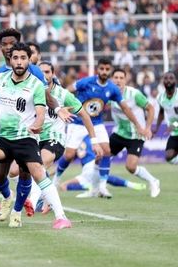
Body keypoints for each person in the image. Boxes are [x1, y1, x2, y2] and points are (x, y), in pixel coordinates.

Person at [0, 28, 74, 221]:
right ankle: (0, 199)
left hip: (26, 138)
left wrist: (53, 113)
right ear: (2, 50)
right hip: (4, 137)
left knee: (34, 174)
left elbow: (43, 105)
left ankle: (50, 216)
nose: (16, 59)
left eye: (21, 57)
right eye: (11, 52)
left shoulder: (35, 80)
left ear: (28, 59)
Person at [16, 60, 102, 216]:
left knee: (38, 165)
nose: (44, 75)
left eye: (47, 72)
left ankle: (32, 202)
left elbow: (85, 116)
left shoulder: (63, 94)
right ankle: (46, 193)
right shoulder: (29, 91)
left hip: (55, 139)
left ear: (53, 74)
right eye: (40, 72)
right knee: (14, 172)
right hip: (33, 139)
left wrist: (95, 141)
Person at [56, 58, 147, 198]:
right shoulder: (86, 82)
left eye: (107, 69)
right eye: (102, 69)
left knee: (106, 151)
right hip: (78, 122)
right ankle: (55, 180)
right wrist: (62, 106)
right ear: (98, 69)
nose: (104, 71)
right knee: (68, 155)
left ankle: (102, 187)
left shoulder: (112, 88)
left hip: (97, 123)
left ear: (109, 71)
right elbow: (68, 90)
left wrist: (139, 126)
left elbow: (126, 108)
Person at [77, 68, 160, 198]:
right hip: (119, 133)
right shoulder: (109, 94)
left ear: (125, 80)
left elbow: (150, 108)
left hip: (136, 135)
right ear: (111, 79)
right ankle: (95, 189)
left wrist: (148, 128)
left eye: (121, 78)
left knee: (131, 167)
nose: (118, 80)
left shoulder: (134, 94)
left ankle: (153, 181)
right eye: (116, 78)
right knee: (99, 157)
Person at [57, 136, 146, 195]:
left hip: (90, 166)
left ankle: (89, 186)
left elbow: (67, 159)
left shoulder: (77, 142)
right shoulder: (93, 137)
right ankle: (91, 186)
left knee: (64, 186)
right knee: (102, 177)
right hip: (89, 169)